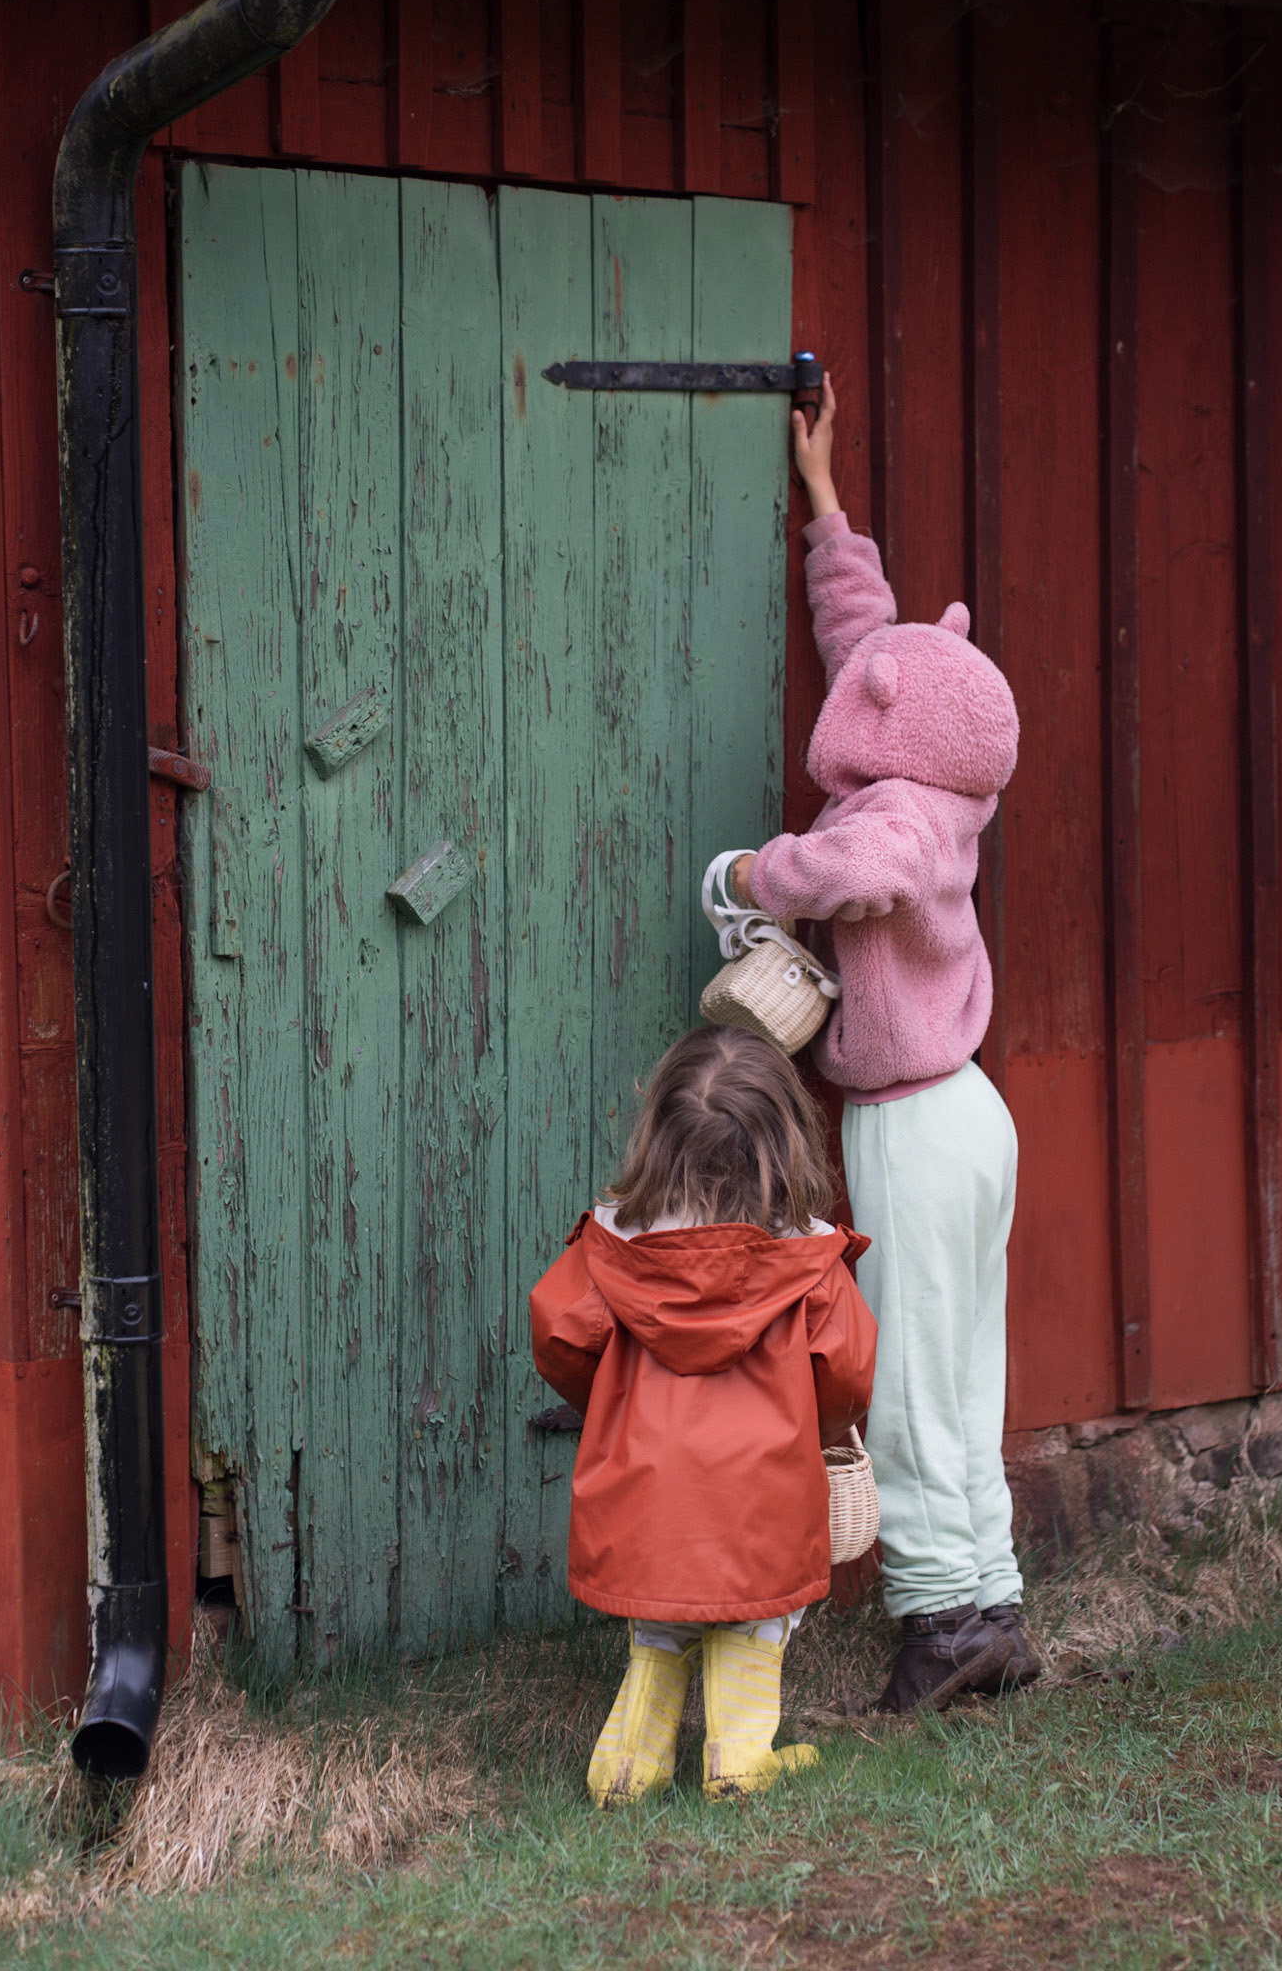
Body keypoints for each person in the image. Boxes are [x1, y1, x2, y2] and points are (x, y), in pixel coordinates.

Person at [728, 375, 1040, 1714]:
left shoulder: (898, 820)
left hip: (914, 1116)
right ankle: (990, 1605)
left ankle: (934, 1616)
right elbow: (872, 645)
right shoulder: (937, 764)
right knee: (965, 1372)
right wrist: (823, 502)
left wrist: (751, 874)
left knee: (911, 1380)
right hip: (969, 1110)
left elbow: (856, 870)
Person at [530, 1024, 877, 1806]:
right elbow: (847, 1375)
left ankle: (625, 1770)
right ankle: (739, 1762)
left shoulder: (611, 1249)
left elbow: (559, 1335)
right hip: (763, 1498)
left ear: (657, 1138)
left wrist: (606, 1405)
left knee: (658, 1633)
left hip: (644, 1497)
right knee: (753, 1619)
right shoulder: (808, 1263)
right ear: (785, 1143)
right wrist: (816, 1431)